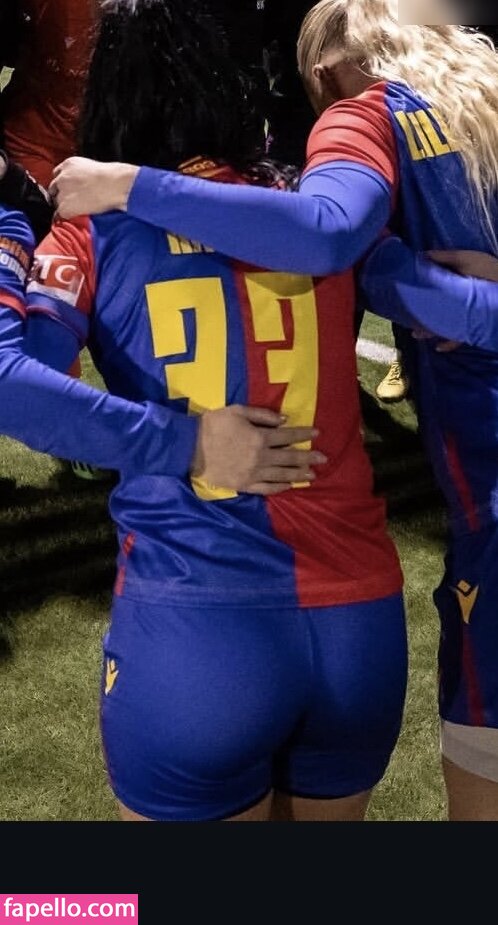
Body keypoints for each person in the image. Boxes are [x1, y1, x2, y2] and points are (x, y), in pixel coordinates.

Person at [54, 4, 498, 821]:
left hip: (196, 627)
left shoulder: (93, 229)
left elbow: (18, 381)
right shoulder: (328, 201)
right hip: (357, 624)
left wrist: (178, 441)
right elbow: (445, 301)